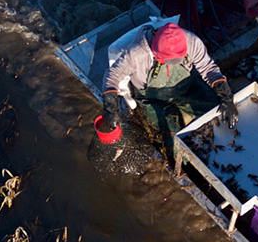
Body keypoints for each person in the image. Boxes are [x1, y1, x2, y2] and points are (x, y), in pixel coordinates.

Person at [102, 21, 238, 164]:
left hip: (187, 89)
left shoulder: (192, 42)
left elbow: (208, 68)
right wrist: (111, 108)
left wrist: (226, 97)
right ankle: (186, 167)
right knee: (173, 141)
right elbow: (112, 75)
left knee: (216, 118)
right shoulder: (137, 52)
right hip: (153, 98)